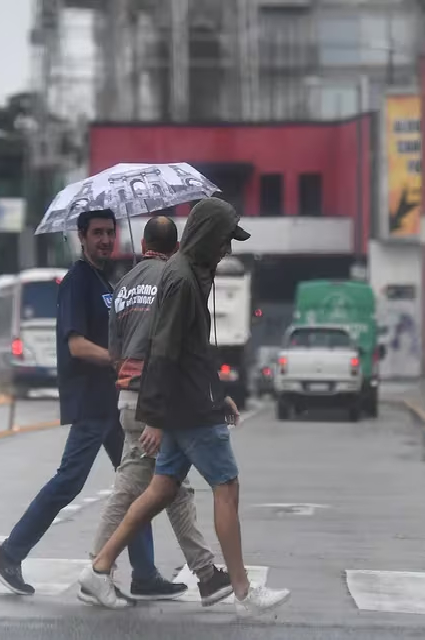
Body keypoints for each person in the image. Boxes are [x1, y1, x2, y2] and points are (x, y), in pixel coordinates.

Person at [78, 197, 291, 617]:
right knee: (226, 488)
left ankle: (99, 569)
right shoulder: (179, 280)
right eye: (226, 240)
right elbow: (164, 352)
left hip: (188, 402)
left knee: (160, 489)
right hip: (187, 410)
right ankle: (244, 592)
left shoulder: (190, 276)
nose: (228, 249)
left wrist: (219, 391)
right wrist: (155, 418)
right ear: (208, 236)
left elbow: (194, 350)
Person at [0, 208, 186, 603]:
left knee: (134, 482)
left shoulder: (105, 280)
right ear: (81, 236)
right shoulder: (77, 282)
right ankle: (8, 554)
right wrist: (117, 358)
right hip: (92, 399)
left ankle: (143, 573)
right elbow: (75, 345)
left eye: (110, 233)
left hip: (111, 399)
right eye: (97, 233)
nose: (106, 240)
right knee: (70, 481)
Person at [90, 215, 233, 606]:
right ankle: (96, 569)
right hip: (157, 398)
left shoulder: (121, 285)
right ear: (174, 247)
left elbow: (115, 352)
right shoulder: (173, 277)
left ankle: (206, 575)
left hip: (127, 395)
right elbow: (171, 345)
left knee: (170, 486)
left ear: (144, 244)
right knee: (137, 488)